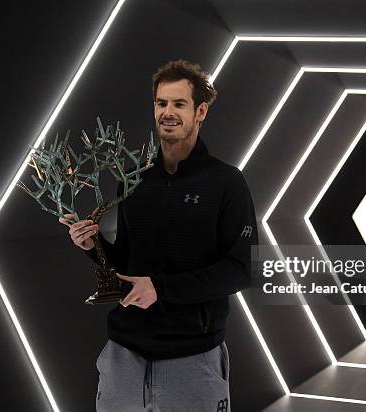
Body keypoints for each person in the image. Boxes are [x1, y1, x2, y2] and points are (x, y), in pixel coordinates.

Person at [60, 60, 258, 412]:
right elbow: (128, 261)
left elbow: (241, 268)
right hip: (123, 355)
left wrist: (161, 289)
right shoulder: (134, 179)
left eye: (178, 104)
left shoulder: (227, 182)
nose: (167, 112)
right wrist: (93, 247)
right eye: (160, 103)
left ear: (200, 111)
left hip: (193, 358)